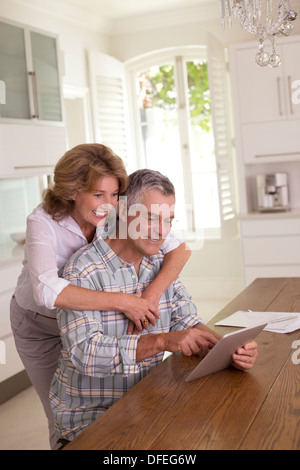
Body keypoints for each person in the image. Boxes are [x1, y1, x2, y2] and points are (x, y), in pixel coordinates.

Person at [50, 169, 258, 445]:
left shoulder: (159, 264)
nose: (162, 232)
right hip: (92, 422)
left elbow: (186, 322)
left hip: (146, 405)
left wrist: (226, 350)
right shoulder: (83, 270)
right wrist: (161, 341)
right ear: (123, 211)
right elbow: (84, 353)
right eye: (151, 219)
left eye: (169, 221)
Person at [10, 145, 190, 450]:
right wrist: (125, 302)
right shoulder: (43, 221)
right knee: (62, 410)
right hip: (38, 323)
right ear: (72, 191)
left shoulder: (118, 211)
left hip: (84, 314)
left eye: (114, 194)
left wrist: (150, 295)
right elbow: (46, 291)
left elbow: (179, 248)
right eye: (97, 194)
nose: (107, 204)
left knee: (102, 389)